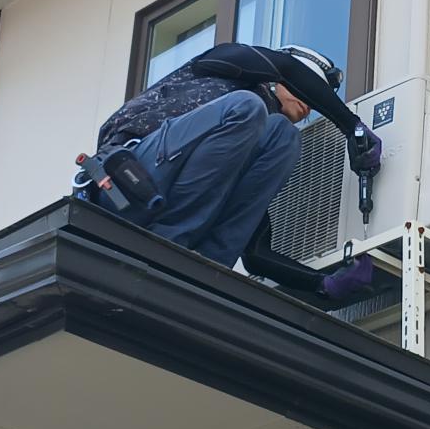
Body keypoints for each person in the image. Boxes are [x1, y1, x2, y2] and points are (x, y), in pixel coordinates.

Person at [91, 42, 381, 300]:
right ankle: (170, 243)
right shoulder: (222, 63)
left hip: (178, 222)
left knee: (284, 135)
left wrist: (324, 283)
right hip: (128, 183)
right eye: (308, 87)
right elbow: (285, 68)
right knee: (248, 107)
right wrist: (352, 127)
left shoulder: (249, 142)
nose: (309, 105)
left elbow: (255, 253)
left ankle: (200, 264)